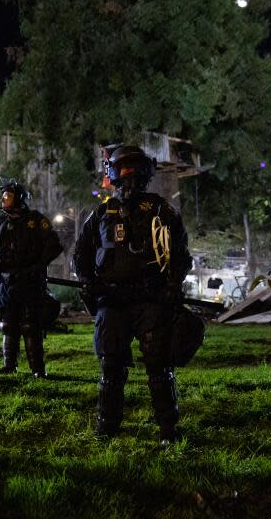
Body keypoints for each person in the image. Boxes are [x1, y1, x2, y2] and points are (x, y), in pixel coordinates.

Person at [73, 145, 192, 444]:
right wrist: (87, 281)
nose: (128, 180)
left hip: (151, 300)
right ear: (113, 174)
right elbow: (81, 254)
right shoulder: (102, 213)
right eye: (123, 172)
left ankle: (168, 428)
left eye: (133, 172)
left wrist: (173, 285)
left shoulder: (161, 210)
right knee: (111, 365)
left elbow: (180, 254)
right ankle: (107, 426)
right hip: (112, 301)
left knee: (158, 365)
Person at [0, 180, 63, 378]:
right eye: (3, 196)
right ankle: (9, 365)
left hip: (30, 282)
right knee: (8, 324)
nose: (3, 199)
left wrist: (36, 267)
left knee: (31, 326)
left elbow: (54, 245)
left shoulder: (35, 221)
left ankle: (38, 369)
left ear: (19, 198)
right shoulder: (1, 224)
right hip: (7, 283)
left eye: (8, 196)